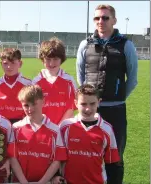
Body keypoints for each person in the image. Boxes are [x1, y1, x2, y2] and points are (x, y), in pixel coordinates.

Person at [76, 4, 138, 183]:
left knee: (115, 156)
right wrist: (90, 101)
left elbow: (132, 79)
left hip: (116, 111)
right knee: (88, 154)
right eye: (97, 18)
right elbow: (81, 76)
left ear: (114, 20)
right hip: (91, 111)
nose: (100, 21)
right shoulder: (85, 45)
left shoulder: (126, 45)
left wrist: (118, 97)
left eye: (105, 17)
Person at [53, 84, 120, 184]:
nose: (88, 109)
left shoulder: (106, 129)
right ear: (75, 103)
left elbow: (112, 162)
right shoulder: (65, 126)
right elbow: (56, 156)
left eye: (92, 104)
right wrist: (56, 175)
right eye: (83, 104)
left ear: (99, 102)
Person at [8, 85, 67, 183]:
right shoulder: (15, 128)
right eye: (26, 105)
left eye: (34, 104)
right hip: (19, 182)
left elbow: (57, 161)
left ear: (43, 102)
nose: (30, 109)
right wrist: (24, 182)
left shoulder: (55, 130)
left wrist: (41, 182)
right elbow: (13, 158)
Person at [32, 37, 77, 125]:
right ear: (42, 59)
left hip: (64, 128)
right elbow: (34, 108)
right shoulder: (36, 82)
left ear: (62, 59)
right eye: (48, 59)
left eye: (55, 59)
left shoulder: (69, 81)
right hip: (43, 127)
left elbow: (71, 108)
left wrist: (59, 128)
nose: (52, 63)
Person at [0, 48, 31, 124]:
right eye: (5, 63)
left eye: (13, 63)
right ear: (1, 64)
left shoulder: (28, 84)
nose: (9, 67)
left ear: (20, 64)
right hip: (1, 124)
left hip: (23, 123)